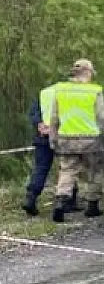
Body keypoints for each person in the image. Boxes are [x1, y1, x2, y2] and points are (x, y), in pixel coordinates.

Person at [49, 59, 104, 223]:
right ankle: (92, 206)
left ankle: (60, 201)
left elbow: (54, 118)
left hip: (66, 139)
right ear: (88, 72)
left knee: (67, 171)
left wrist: (53, 138)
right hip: (91, 140)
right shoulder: (94, 91)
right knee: (95, 171)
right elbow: (103, 118)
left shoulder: (61, 90)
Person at [22, 78, 79, 216]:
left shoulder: (44, 93)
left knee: (41, 168)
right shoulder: (69, 94)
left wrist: (40, 125)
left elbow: (33, 112)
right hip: (63, 136)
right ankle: (67, 201)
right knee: (68, 168)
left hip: (43, 136)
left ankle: (30, 198)